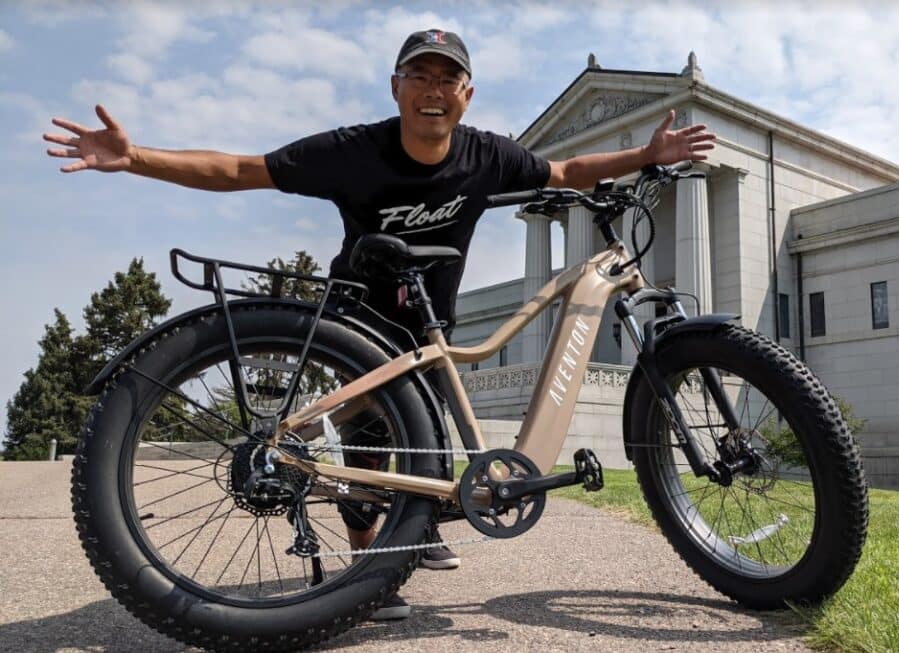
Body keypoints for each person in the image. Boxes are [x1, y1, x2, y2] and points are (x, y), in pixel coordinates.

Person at [45, 28, 715, 620]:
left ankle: (416, 530)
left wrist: (645, 156)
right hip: (356, 319)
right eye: (419, 75)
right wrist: (138, 158)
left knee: (430, 441)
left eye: (447, 78)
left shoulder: (486, 156)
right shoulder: (354, 151)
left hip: (430, 325)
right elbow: (241, 169)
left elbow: (566, 170)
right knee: (368, 447)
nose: (433, 89)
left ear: (466, 95)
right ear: (396, 87)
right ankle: (371, 571)